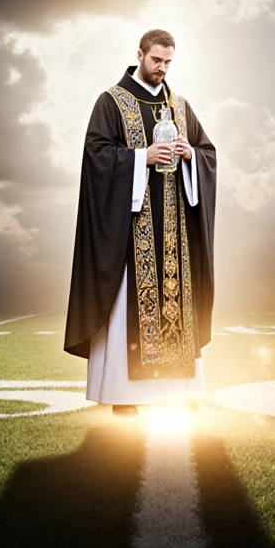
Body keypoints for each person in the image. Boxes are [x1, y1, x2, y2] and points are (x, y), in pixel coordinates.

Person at [63, 29, 217, 418]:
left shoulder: (179, 106)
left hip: (175, 233)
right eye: (156, 60)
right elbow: (96, 155)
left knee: (177, 306)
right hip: (131, 231)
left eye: (168, 62)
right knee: (129, 307)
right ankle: (124, 393)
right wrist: (139, 158)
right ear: (140, 55)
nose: (162, 68)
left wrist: (190, 156)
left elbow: (207, 153)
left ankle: (181, 389)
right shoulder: (112, 102)